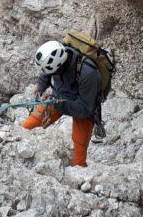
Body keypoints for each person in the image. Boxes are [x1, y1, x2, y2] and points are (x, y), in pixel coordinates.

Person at [20, 39, 100, 167]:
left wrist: (57, 103)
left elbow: (85, 108)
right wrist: (40, 88)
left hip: (84, 106)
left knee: (79, 145)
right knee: (27, 126)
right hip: (59, 97)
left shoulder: (88, 73)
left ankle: (79, 177)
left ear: (60, 66)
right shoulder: (57, 58)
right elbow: (46, 73)